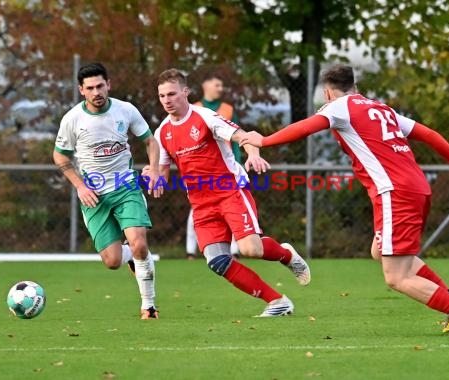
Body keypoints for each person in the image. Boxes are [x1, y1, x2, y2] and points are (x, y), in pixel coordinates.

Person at [239, 64, 449, 335]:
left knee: (397, 277)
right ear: (355, 87)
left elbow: (304, 128)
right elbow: (430, 135)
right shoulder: (382, 109)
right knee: (380, 251)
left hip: (395, 193)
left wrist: (264, 141)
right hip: (414, 187)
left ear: (327, 93)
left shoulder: (338, 107)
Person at [149, 68, 311, 317]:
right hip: (201, 204)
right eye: (162, 96)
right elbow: (162, 174)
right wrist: (153, 178)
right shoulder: (162, 132)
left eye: (172, 94)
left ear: (185, 92)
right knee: (218, 262)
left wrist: (254, 155)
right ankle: (277, 302)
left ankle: (286, 254)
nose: (167, 100)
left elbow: (244, 137)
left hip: (230, 191)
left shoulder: (205, 117)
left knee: (250, 250)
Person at [53, 62, 160, 319]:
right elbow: (59, 156)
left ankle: (149, 305)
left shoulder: (125, 110)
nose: (96, 92)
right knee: (112, 261)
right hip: (94, 195)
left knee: (139, 243)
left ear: (108, 85)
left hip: (126, 187)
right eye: (90, 88)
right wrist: (79, 186)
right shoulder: (72, 119)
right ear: (82, 90)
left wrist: (154, 168)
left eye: (100, 86)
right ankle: (135, 258)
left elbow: (150, 140)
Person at [186, 72, 241, 260]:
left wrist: (238, 164)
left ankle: (234, 250)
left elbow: (236, 138)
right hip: (200, 170)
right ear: (205, 85)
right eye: (217, 84)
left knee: (231, 207)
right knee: (197, 210)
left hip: (225, 169)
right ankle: (190, 250)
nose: (220, 88)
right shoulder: (194, 109)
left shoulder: (227, 109)